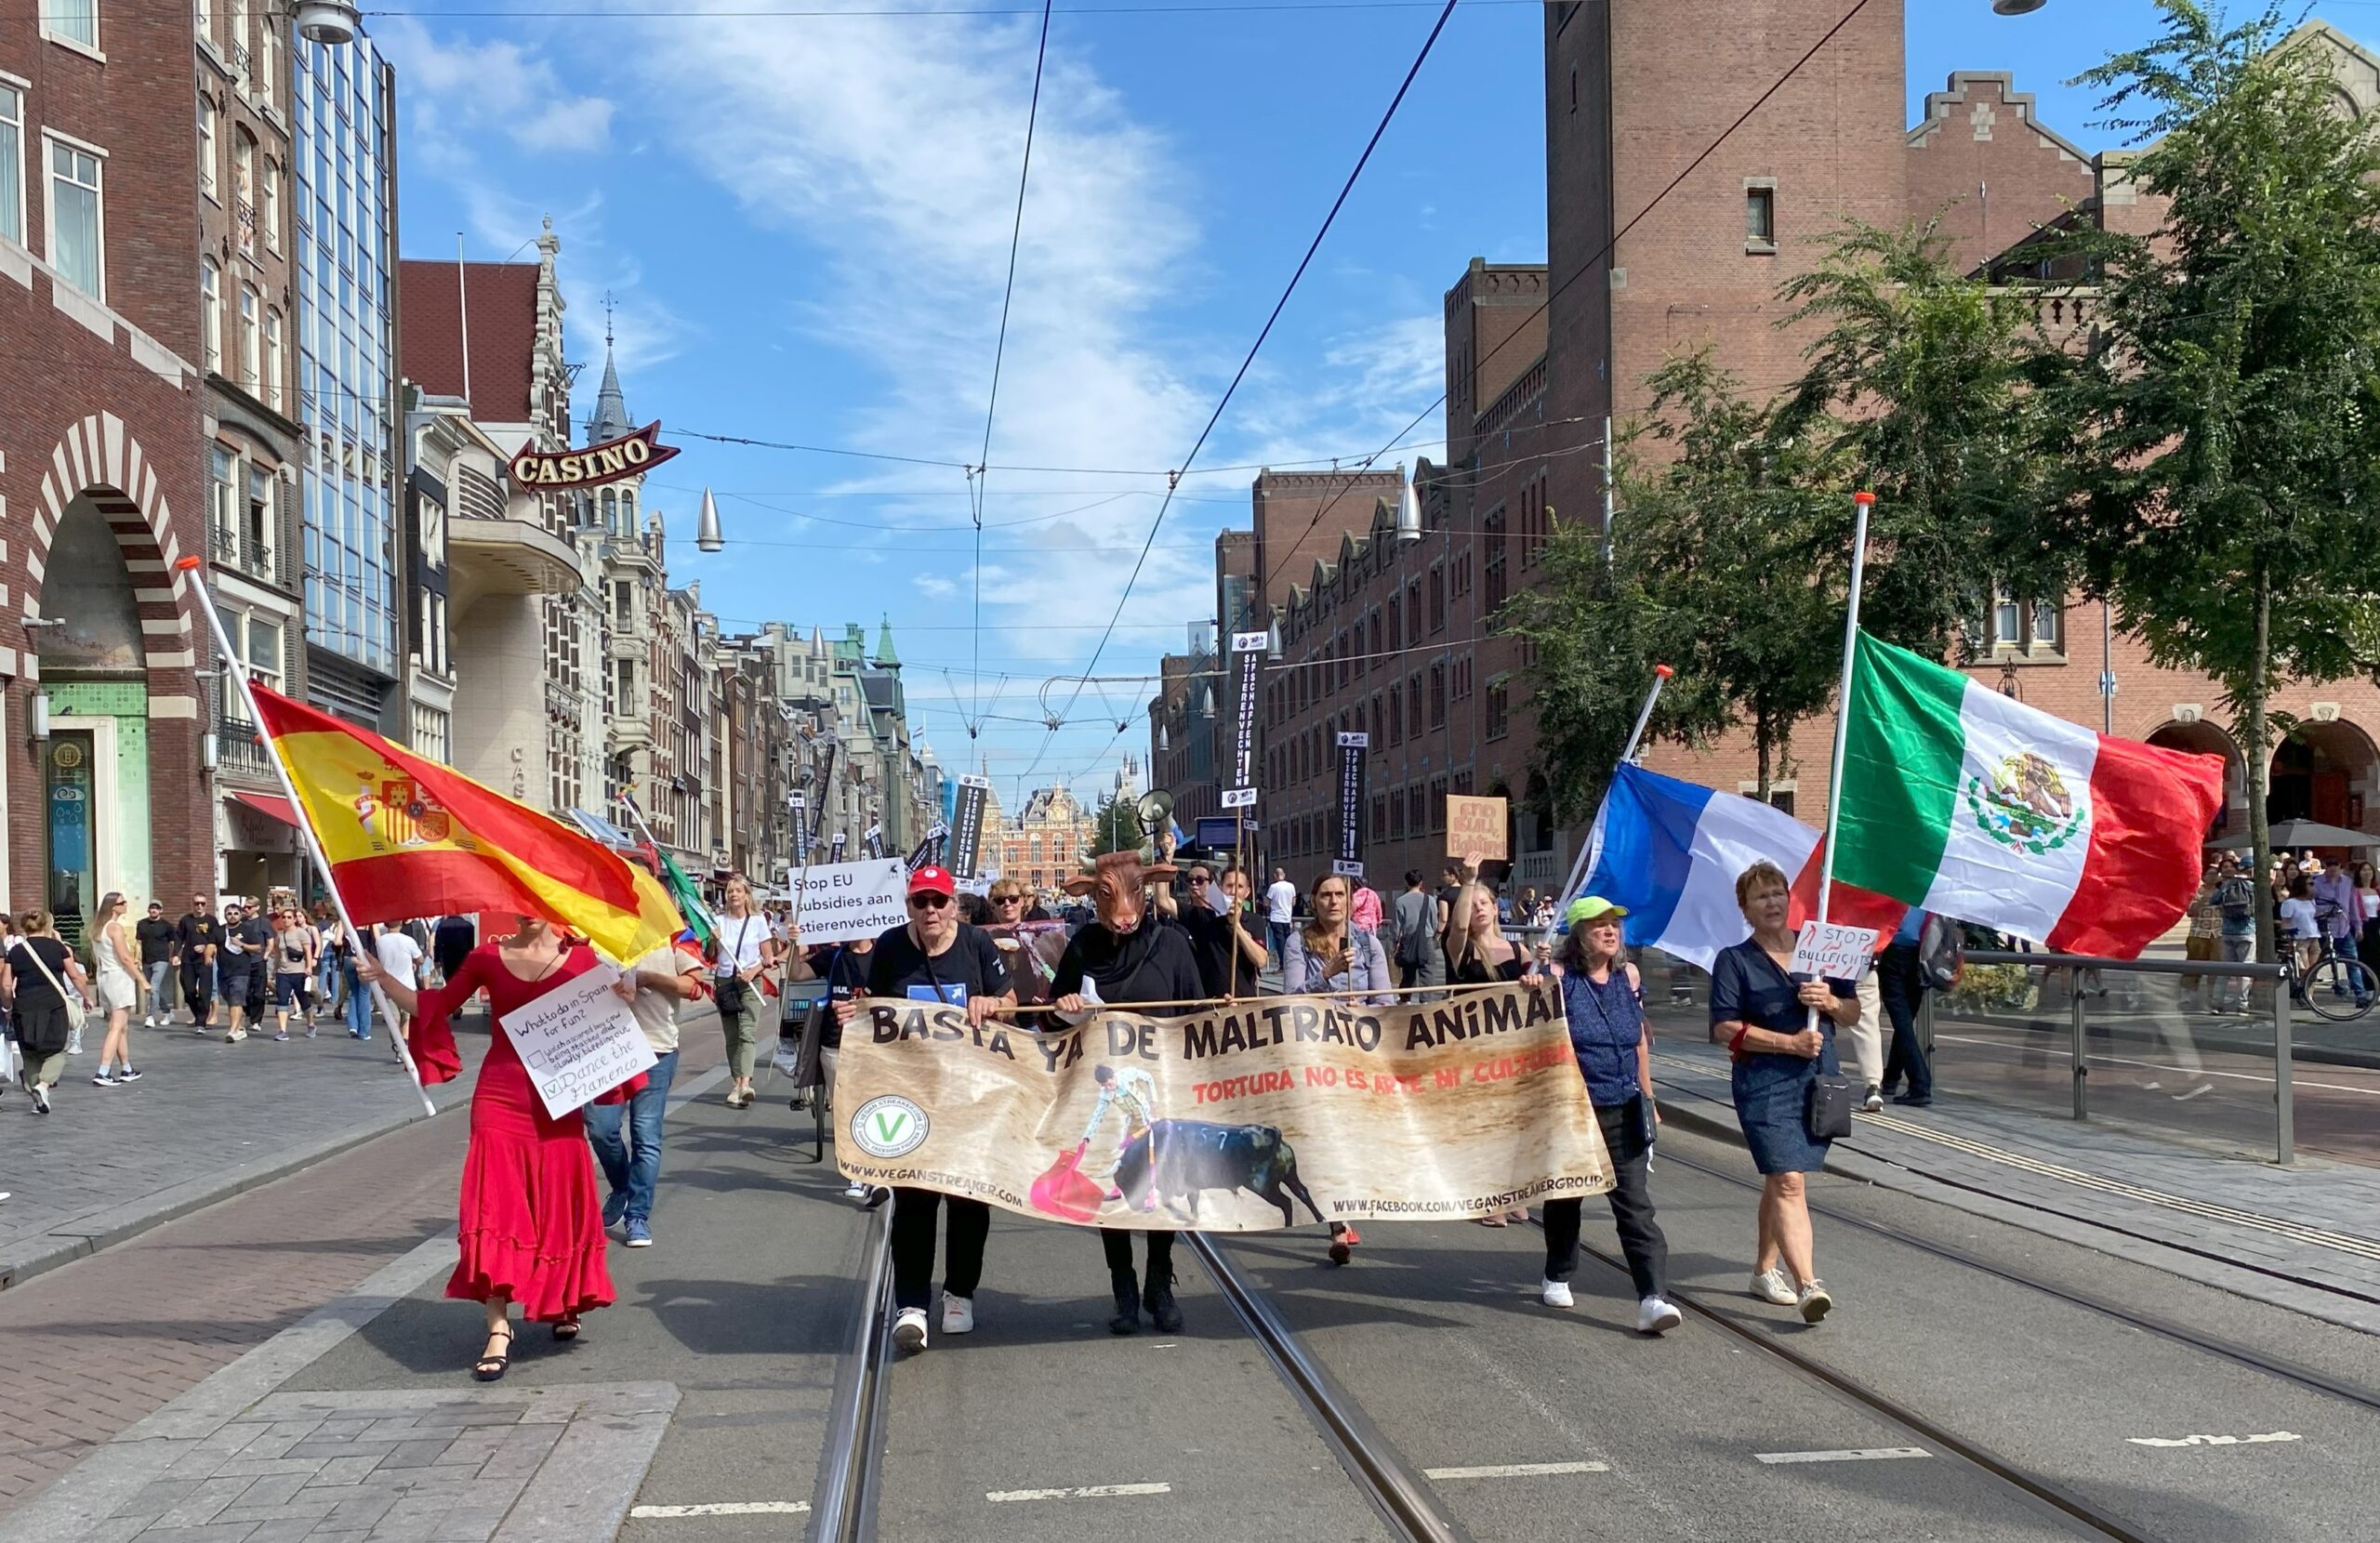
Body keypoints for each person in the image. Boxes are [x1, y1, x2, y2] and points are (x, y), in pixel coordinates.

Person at [357, 915, 638, 1379]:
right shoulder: (487, 956)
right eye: (517, 900)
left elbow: (608, 1029)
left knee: (557, 1204)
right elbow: (437, 1005)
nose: (525, 910)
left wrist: (623, 1000)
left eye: (534, 899)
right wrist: (383, 979)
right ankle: (498, 1328)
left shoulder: (585, 959)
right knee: (494, 1209)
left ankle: (564, 1300)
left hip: (559, 1099)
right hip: (500, 1097)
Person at [835, 864, 1015, 1353]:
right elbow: (872, 1006)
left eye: (939, 901)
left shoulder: (977, 944)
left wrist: (992, 1006)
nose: (931, 911)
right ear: (909, 905)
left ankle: (959, 1293)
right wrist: (854, 1013)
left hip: (970, 1095)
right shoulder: (892, 946)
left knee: (970, 1200)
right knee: (913, 1200)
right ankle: (911, 1303)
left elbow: (1012, 1001)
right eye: (921, 902)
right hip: (911, 1095)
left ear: (954, 904)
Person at [1051, 851, 1205, 1335]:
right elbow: (1050, 1019)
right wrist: (1066, 1005)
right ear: (1092, 898)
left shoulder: (1173, 944)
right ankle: (1123, 1288)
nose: (1123, 909)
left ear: (1147, 892)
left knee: (1165, 1183)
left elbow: (1196, 1015)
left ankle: (1160, 1282)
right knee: (1111, 1182)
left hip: (1163, 1091)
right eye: (1107, 896)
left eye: (1134, 893)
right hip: (1107, 1093)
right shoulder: (1084, 945)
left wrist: (1217, 1010)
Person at [1710, 860, 1858, 1325]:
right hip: (1763, 1081)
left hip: (1817, 1078)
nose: (1771, 903)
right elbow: (1722, 1028)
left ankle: (1762, 1270)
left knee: (1782, 1178)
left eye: (1777, 893)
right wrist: (1787, 1042)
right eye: (1760, 897)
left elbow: (1852, 1012)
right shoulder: (1734, 959)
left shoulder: (1821, 950)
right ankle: (1810, 1285)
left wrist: (1830, 1002)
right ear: (1745, 909)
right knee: (1789, 1179)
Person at [1541, 897, 1678, 1333]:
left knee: (1635, 1206)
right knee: (1567, 1197)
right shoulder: (1561, 979)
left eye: (1614, 924)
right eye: (1598, 924)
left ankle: (1653, 1298)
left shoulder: (1628, 977)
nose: (1609, 931)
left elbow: (1638, 1039)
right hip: (1575, 1110)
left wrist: (1650, 1098)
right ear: (1578, 935)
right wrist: (1533, 980)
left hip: (1625, 1106)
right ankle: (1558, 1273)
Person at [1282, 869, 1395, 1262]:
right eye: (1325, 895)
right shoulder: (1299, 942)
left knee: (1353, 1136)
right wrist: (1326, 977)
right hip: (1318, 1052)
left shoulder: (1367, 943)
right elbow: (1291, 998)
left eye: (1339, 894)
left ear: (1350, 901)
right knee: (1327, 1136)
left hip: (1359, 1051)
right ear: (1314, 902)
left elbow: (1386, 999)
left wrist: (1365, 1007)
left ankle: (1346, 1206)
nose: (1332, 901)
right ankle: (1338, 1222)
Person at [586, 936, 707, 1248]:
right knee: (601, 1127)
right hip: (607, 1048)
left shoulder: (674, 937)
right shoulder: (598, 934)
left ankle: (637, 1216)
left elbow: (694, 986)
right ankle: (623, 1187)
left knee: (645, 1134)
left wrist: (648, 978)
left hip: (656, 1049)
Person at [712, 876, 792, 1110]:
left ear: (747, 895)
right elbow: (709, 954)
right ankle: (736, 1083)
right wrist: (711, 938)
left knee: (747, 1032)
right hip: (725, 982)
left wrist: (753, 970)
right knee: (732, 1036)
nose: (734, 895)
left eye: (738, 891)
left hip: (750, 982)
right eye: (730, 891)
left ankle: (745, 1084)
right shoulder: (718, 922)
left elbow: (768, 957)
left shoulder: (757, 922)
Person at [9, 911, 92, 1114]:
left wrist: (7, 1005)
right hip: (53, 1005)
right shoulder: (58, 948)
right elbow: (75, 976)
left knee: (30, 1053)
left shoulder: (16, 951)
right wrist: (86, 997)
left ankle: (37, 1099)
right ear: (47, 925)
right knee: (56, 1049)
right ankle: (44, 1085)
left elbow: (4, 985)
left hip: (24, 1006)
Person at [1154, 860, 1267, 998]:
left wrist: (1237, 927)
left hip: (1244, 1004)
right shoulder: (1204, 917)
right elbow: (1162, 900)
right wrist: (1166, 858)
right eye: (1229, 886)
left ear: (1247, 892)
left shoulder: (1255, 921)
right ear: (1220, 888)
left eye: (1239, 886)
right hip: (1212, 1006)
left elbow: (1261, 960)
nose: (1233, 891)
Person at [1875, 909, 1933, 1107]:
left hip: (1895, 951)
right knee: (1905, 1022)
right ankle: (1891, 1078)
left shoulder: (1896, 884)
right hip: (1924, 956)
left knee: (1903, 1024)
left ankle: (1921, 1084)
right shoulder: (1929, 887)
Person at [88, 892, 144, 1086]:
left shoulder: (97, 929)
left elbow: (99, 958)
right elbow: (125, 958)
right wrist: (142, 980)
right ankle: (103, 1071)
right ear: (114, 907)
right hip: (118, 977)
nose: (126, 905)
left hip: (104, 977)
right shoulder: (115, 928)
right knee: (116, 1026)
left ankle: (126, 1068)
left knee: (121, 1026)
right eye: (123, 902)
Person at [2311, 857, 2369, 1008]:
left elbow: (2353, 905)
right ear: (2325, 866)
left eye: (2335, 865)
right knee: (2315, 964)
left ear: (2340, 867)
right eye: (2329, 865)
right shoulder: (2317, 883)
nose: (2332, 869)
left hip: (2344, 929)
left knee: (2353, 962)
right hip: (2324, 930)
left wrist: (2358, 926)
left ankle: (2360, 995)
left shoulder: (2347, 883)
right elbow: (2311, 904)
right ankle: (2306, 992)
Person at [2213, 855, 2258, 1013]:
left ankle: (2216, 1004)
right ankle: (2242, 1005)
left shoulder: (2227, 884)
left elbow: (2214, 900)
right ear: (2252, 869)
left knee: (2224, 971)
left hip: (2227, 931)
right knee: (2245, 970)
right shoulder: (2253, 886)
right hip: (2247, 931)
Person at [217, 903, 263, 1043]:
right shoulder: (218, 930)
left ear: (240, 915)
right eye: (229, 913)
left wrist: (242, 944)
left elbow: (258, 948)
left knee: (236, 999)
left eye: (235, 913)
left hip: (241, 971)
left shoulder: (247, 930)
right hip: (223, 971)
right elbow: (212, 945)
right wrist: (207, 956)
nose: (232, 916)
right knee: (230, 1000)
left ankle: (232, 1031)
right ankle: (240, 1028)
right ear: (225, 915)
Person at [371, 920, 426, 1041]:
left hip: (388, 987)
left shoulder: (380, 942)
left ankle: (397, 1045)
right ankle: (404, 1044)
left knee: (394, 1020)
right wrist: (414, 963)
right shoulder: (408, 940)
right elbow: (420, 959)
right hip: (407, 986)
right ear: (401, 924)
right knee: (406, 1019)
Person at [1391, 870, 1443, 993]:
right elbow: (1435, 920)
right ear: (1421, 883)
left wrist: (1395, 944)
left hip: (1408, 940)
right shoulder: (1429, 900)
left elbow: (1397, 927)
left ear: (1406, 883)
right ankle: (1426, 1000)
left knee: (1408, 971)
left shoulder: (1400, 901)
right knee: (1428, 971)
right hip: (1427, 939)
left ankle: (1405, 998)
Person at [271, 906, 318, 1042]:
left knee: (304, 1001)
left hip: (298, 972)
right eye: (283, 917)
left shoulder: (301, 933)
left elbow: (308, 951)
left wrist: (308, 967)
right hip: (283, 973)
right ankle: (282, 1030)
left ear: (295, 919)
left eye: (289, 917)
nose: (285, 920)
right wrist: (275, 969)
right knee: (282, 1001)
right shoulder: (279, 935)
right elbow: (278, 953)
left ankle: (311, 1025)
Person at [176, 894, 221, 1032]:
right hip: (188, 960)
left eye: (202, 904)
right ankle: (198, 1015)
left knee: (204, 992)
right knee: (189, 991)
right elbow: (178, 938)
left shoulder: (212, 921)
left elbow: (217, 940)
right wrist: (175, 955)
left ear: (206, 905)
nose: (199, 906)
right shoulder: (185, 920)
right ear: (193, 904)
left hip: (205, 960)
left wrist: (205, 947)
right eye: (197, 904)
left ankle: (201, 1022)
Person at [137, 901, 178, 1028]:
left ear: (161, 910)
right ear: (148, 910)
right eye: (152, 908)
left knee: (154, 988)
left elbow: (173, 942)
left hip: (161, 960)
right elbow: (138, 942)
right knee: (153, 991)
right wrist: (136, 958)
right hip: (146, 960)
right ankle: (167, 1012)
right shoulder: (142, 924)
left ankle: (150, 1017)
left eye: (157, 908)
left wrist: (174, 956)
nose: (154, 910)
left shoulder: (167, 925)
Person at [2281, 873, 2321, 993]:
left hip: (2314, 936)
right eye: (2310, 884)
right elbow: (2285, 922)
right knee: (2305, 969)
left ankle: (2309, 996)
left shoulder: (2311, 902)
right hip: (2300, 939)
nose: (2313, 887)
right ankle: (2302, 993)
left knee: (2314, 970)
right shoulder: (2290, 903)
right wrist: (2289, 939)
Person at [1263, 867, 1298, 971]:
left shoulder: (1273, 887)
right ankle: (1289, 962)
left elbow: (1267, 902)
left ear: (1275, 875)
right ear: (1284, 875)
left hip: (1276, 917)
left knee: (1280, 941)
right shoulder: (1291, 886)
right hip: (1287, 917)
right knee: (1288, 940)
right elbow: (1294, 902)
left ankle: (1282, 964)